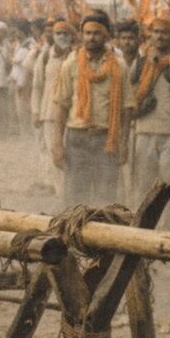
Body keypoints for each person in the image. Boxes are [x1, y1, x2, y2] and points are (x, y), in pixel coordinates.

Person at [53, 11, 133, 208]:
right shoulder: (70, 64)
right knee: (74, 197)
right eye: (87, 33)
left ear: (105, 35)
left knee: (106, 197)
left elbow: (127, 108)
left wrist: (123, 143)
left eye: (96, 33)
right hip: (76, 139)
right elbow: (61, 106)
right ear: (81, 35)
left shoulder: (119, 65)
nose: (91, 38)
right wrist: (57, 144)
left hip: (107, 140)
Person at [130, 19, 170, 226]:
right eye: (156, 32)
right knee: (143, 184)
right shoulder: (139, 64)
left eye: (165, 32)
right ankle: (139, 228)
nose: (160, 36)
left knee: (168, 185)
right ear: (149, 35)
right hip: (144, 131)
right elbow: (129, 97)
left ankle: (165, 228)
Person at [32, 21, 75, 197]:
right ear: (53, 36)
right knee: (52, 152)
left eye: (66, 34)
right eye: (59, 34)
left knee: (69, 153)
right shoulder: (45, 57)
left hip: (72, 114)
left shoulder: (76, 57)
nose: (62, 37)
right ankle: (58, 191)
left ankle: (67, 190)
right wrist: (35, 111)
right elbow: (37, 86)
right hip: (49, 112)